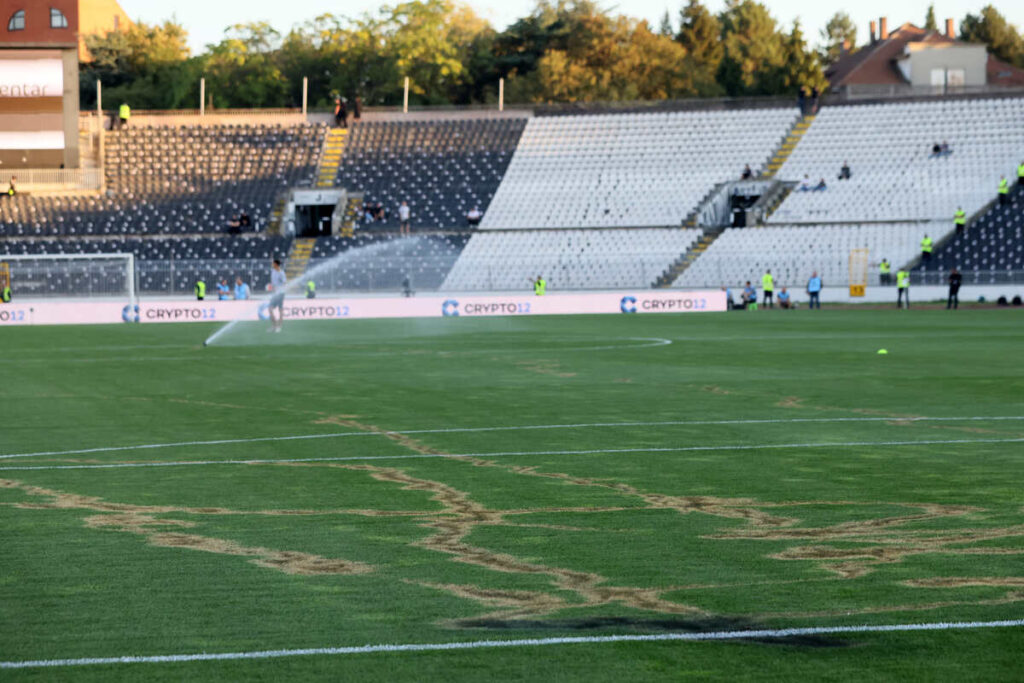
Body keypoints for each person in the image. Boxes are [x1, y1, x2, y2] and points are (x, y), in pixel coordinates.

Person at [268, 259, 286, 333]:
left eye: (273, 263)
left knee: (280, 309)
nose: (272, 264)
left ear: (276, 264)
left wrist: (278, 289)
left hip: (280, 293)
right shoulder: (273, 271)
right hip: (274, 294)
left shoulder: (281, 273)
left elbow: (284, 282)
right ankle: (274, 325)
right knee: (270, 309)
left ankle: (279, 327)